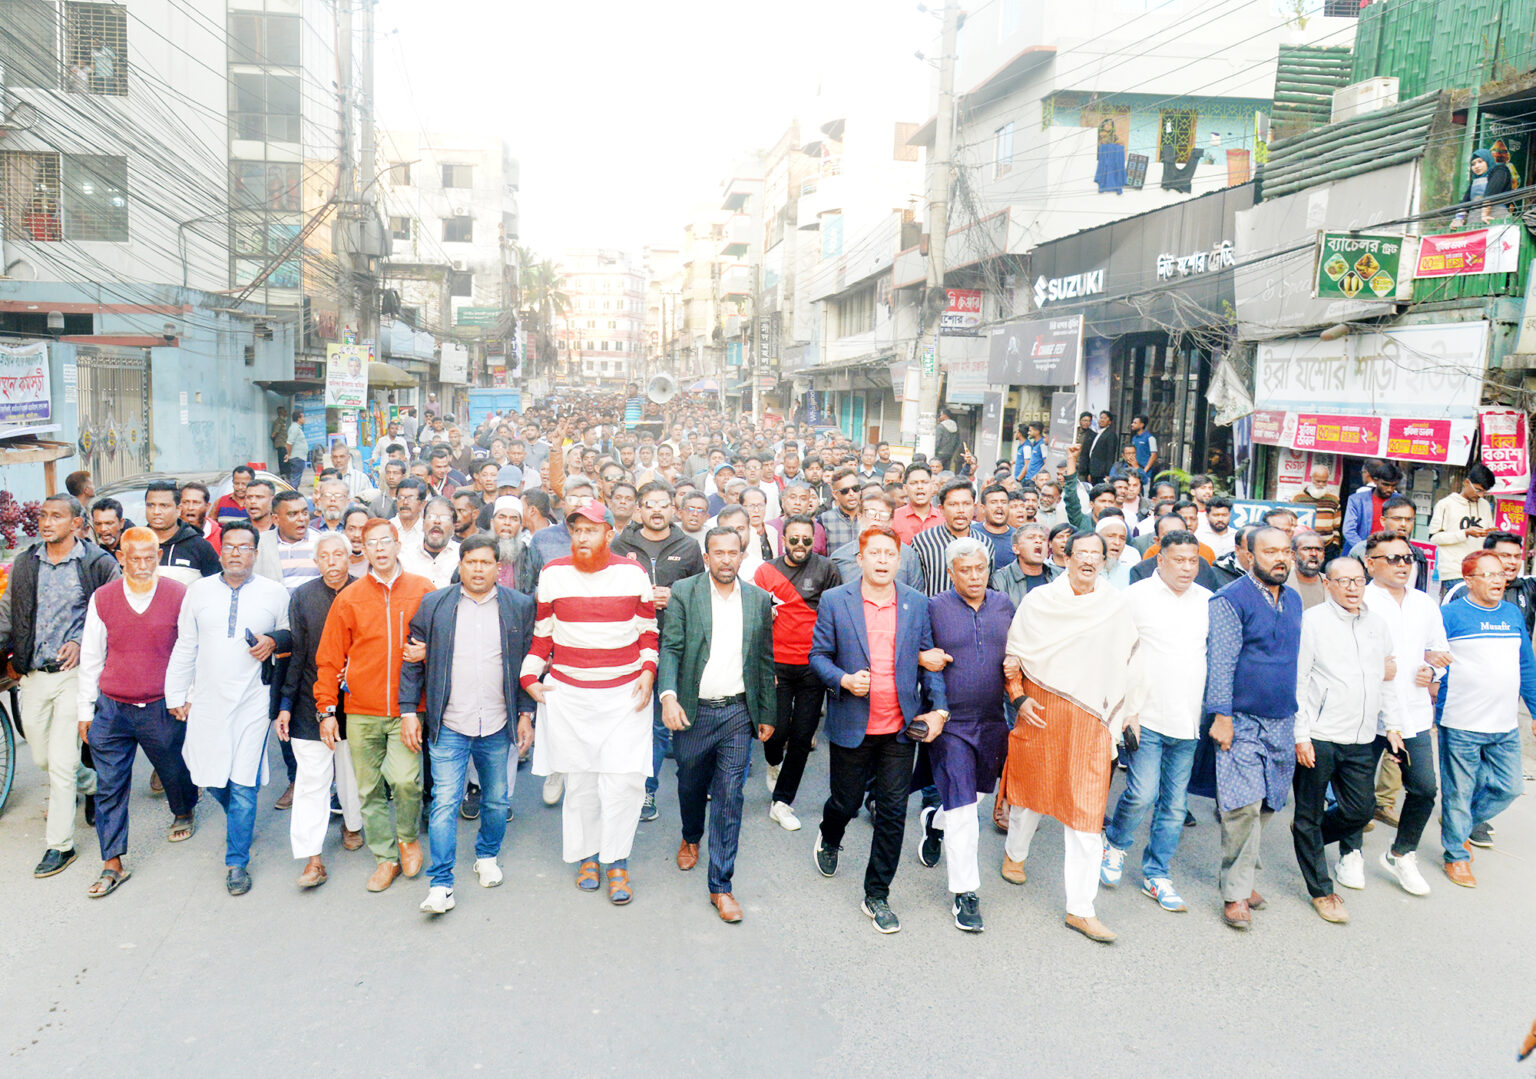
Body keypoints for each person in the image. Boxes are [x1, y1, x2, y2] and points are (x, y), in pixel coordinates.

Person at [999, 530, 1139, 944]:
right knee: (1029, 797)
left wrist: (1130, 714)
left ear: (1105, 560)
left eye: (1097, 554)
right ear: (1066, 555)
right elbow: (1014, 656)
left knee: (1086, 816)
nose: (1088, 561)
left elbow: (1131, 662)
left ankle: (1081, 909)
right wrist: (1019, 698)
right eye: (1081, 553)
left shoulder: (1116, 606)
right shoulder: (1040, 601)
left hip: (1093, 721)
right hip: (1041, 709)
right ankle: (1015, 854)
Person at [810, 525, 948, 934]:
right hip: (853, 722)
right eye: (876, 553)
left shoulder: (916, 603)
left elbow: (928, 660)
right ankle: (830, 835)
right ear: (861, 559)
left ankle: (877, 894)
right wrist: (844, 680)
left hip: (900, 729)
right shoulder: (837, 601)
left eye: (891, 554)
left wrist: (938, 708)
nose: (883, 560)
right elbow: (818, 656)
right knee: (846, 802)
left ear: (899, 560)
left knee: (892, 812)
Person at [520, 499, 658, 906]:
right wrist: (528, 677)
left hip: (625, 695)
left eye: (590, 530)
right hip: (572, 697)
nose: (582, 537)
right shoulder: (553, 573)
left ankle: (616, 861)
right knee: (580, 783)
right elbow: (542, 637)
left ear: (607, 533)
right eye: (576, 530)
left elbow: (648, 633)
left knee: (624, 781)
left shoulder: (633, 573)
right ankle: (586, 855)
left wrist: (649, 672)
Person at [401, 535, 537, 915]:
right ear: (459, 565)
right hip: (450, 723)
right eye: (471, 562)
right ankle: (441, 883)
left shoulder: (519, 606)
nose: (478, 569)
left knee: (496, 799)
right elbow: (412, 660)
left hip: (497, 722)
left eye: (486, 562)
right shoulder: (434, 604)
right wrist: (409, 710)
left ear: (498, 567)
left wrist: (526, 715)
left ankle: (487, 855)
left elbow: (528, 664)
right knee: (444, 802)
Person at [164, 520, 292, 895]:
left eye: (244, 547)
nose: (236, 553)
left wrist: (272, 640)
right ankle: (239, 820)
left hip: (253, 701)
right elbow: (186, 644)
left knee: (243, 784)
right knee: (207, 775)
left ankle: (236, 861)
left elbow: (289, 636)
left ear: (255, 553)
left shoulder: (274, 592)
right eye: (230, 546)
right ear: (221, 551)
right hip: (206, 700)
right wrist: (176, 694)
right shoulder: (199, 592)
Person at [658, 527, 777, 923]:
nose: (726, 559)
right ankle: (691, 835)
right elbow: (671, 648)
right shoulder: (685, 593)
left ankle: (721, 886)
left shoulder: (758, 600)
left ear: (742, 556)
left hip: (737, 713)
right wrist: (669, 696)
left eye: (733, 552)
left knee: (729, 796)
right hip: (694, 710)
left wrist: (767, 715)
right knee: (690, 783)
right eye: (718, 553)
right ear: (706, 557)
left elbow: (763, 660)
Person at [0, 494, 119, 877]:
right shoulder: (25, 563)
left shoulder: (97, 564)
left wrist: (83, 643)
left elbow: (114, 616)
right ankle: (94, 783)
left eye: (56, 516)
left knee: (62, 764)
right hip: (33, 675)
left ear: (76, 524)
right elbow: (7, 614)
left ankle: (60, 846)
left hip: (75, 676)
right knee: (42, 758)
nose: (46, 522)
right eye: (43, 516)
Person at [313, 519, 435, 892]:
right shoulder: (349, 598)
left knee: (405, 780)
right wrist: (327, 709)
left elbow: (447, 637)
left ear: (399, 545)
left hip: (407, 709)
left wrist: (429, 651)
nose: (380, 549)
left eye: (386, 541)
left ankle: (407, 837)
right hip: (362, 710)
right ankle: (385, 858)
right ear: (362, 551)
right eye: (371, 543)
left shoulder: (423, 590)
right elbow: (330, 658)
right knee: (368, 790)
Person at [74, 528, 196, 897]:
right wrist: (85, 709)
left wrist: (187, 695)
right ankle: (112, 862)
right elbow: (92, 657)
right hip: (113, 708)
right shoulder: (104, 598)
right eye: (134, 558)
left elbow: (192, 650)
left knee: (173, 767)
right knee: (110, 785)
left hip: (162, 704)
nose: (142, 565)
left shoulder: (178, 595)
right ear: (121, 558)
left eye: (149, 557)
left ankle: (184, 808)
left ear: (158, 556)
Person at [1101, 530, 1209, 913]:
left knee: (1175, 806)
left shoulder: (1208, 602)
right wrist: (1123, 710)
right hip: (1143, 717)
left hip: (1188, 720)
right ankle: (1115, 843)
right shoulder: (1134, 598)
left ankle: (1156, 874)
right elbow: (1114, 652)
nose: (1186, 567)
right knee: (1142, 792)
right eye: (1178, 559)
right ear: (1159, 559)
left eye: (1193, 560)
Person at [1290, 556, 1402, 923]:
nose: (1353, 588)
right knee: (1308, 811)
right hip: (1319, 736)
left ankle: (1307, 838)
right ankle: (1322, 891)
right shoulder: (1313, 622)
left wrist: (1393, 725)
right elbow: (1300, 681)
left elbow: (1385, 680)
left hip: (1361, 736)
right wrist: (1301, 735)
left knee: (1360, 810)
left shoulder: (1377, 625)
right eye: (1344, 581)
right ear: (1328, 583)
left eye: (1359, 580)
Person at [1204, 527, 1302, 930]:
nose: (1280, 558)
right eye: (1269, 551)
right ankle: (1236, 892)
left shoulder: (1293, 600)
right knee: (1242, 805)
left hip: (1283, 717)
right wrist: (1221, 715)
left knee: (1269, 802)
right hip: (1240, 718)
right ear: (1248, 556)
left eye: (1285, 551)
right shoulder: (1230, 600)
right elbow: (1222, 660)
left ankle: (1239, 873)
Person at [922, 537, 1014, 932]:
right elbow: (927, 662)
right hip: (952, 724)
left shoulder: (1005, 605)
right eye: (966, 570)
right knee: (964, 812)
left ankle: (932, 821)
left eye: (980, 569)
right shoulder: (934, 609)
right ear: (950, 573)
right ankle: (965, 893)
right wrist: (938, 709)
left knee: (973, 799)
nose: (975, 577)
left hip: (993, 721)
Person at [1435, 550, 1536, 887]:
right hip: (1461, 722)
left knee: (1509, 788)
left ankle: (1458, 825)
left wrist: (1535, 711)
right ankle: (1456, 855)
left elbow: (1526, 666)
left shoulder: (1511, 614)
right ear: (1468, 580)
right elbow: (1433, 664)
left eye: (1501, 575)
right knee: (1458, 793)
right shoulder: (1450, 615)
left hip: (1504, 725)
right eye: (1489, 575)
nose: (1498, 580)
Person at [1356, 530, 1449, 897]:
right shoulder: (1361, 598)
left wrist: (1433, 672)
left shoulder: (1425, 602)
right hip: (1367, 710)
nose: (1401, 565)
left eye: (1407, 558)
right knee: (1359, 796)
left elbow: (1437, 651)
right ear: (1370, 563)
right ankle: (1350, 853)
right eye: (1392, 558)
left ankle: (1402, 853)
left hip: (1412, 711)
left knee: (1424, 788)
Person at [610, 481, 706, 823]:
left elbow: (701, 595)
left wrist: (674, 596)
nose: (656, 510)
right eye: (648, 504)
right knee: (626, 718)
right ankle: (624, 785)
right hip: (629, 643)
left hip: (671, 644)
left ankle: (648, 788)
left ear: (673, 510)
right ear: (639, 509)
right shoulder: (620, 544)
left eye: (663, 504)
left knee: (659, 725)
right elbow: (607, 592)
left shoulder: (689, 547)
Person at [274, 532, 364, 889]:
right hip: (310, 701)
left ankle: (353, 824)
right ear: (316, 560)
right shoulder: (303, 596)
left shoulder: (364, 591)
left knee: (351, 772)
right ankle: (313, 858)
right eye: (324, 555)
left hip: (356, 701)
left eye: (338, 554)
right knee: (312, 780)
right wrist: (285, 704)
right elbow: (296, 653)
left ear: (349, 557)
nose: (332, 562)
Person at [754, 514, 841, 831]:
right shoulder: (766, 571)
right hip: (776, 664)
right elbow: (757, 623)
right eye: (794, 539)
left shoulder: (827, 568)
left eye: (807, 539)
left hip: (813, 664)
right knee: (775, 731)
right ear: (783, 539)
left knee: (803, 736)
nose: (800, 545)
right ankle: (773, 763)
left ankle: (782, 801)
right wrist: (763, 667)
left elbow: (836, 615)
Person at [910, 480, 987, 597]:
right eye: (953, 505)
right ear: (941, 509)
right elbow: (914, 587)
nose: (960, 510)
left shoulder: (985, 542)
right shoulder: (923, 542)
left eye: (966, 504)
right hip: (933, 613)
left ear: (974, 507)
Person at [1428, 465, 1495, 586]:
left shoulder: (1484, 505)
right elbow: (1434, 537)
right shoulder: (1445, 504)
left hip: (1479, 571)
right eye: (1478, 490)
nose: (1481, 495)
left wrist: (1490, 534)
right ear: (1466, 482)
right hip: (1454, 572)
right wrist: (1465, 533)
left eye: (1485, 492)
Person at [144, 479, 220, 585]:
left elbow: (217, 586)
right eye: (151, 505)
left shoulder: (199, 546)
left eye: (164, 506)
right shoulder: (135, 543)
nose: (156, 512)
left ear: (179, 509)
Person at [1350, 495, 1428, 590]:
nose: (1403, 524)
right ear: (1383, 520)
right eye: (1397, 518)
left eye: (1409, 519)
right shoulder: (1361, 551)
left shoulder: (1418, 555)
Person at [398, 497, 460, 588]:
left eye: (444, 518)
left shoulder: (462, 555)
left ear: (453, 527)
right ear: (423, 523)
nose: (437, 522)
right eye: (431, 517)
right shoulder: (404, 555)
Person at [989, 523, 1057, 605]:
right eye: (1031, 537)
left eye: (1043, 539)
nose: (1038, 541)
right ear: (1016, 549)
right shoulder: (1000, 580)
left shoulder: (1060, 576)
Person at [1342, 460, 1400, 551]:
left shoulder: (1400, 501)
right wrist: (1366, 550)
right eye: (1385, 485)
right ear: (1376, 481)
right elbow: (1348, 530)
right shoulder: (1356, 500)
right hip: (1360, 552)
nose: (1389, 489)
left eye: (1393, 486)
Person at [1450, 148, 1514, 227]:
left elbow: (1491, 192)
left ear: (1487, 160)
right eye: (1473, 164)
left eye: (1480, 161)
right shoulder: (1474, 181)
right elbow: (1465, 203)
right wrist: (1458, 219)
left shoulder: (1500, 170)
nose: (1476, 166)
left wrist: (1485, 214)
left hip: (1496, 218)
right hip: (1474, 222)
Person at [1291, 463, 1341, 555]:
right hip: (1304, 547)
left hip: (1328, 548)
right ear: (1311, 478)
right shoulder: (1297, 498)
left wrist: (1335, 544)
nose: (1321, 484)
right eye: (1318, 481)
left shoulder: (1334, 499)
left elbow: (1336, 527)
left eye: (1324, 482)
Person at [891, 462, 939, 544]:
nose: (920, 487)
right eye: (914, 483)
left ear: (932, 486)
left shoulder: (944, 519)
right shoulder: (893, 518)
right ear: (905, 488)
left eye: (925, 482)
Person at [818, 467, 863, 552]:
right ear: (835, 494)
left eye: (855, 488)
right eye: (845, 491)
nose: (851, 494)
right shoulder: (824, 520)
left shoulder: (871, 516)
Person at [1287, 530, 1328, 609]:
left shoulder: (1333, 584)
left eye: (1318, 549)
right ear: (1293, 555)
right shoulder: (1282, 585)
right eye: (1306, 549)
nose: (1314, 553)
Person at [179, 481, 222, 554]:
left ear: (207, 507)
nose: (190, 508)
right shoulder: (167, 534)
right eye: (185, 502)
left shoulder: (220, 536)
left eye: (196, 503)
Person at [1086, 410, 1118, 483]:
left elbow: (1110, 455)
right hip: (1094, 472)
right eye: (1101, 418)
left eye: (1105, 418)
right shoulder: (1099, 433)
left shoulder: (1111, 435)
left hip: (1102, 473)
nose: (1102, 420)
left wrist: (1108, 473)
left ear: (1109, 422)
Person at [284, 408, 310, 488]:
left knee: (296, 479)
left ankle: (294, 494)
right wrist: (289, 454)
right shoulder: (295, 428)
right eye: (303, 417)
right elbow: (289, 443)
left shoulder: (297, 428)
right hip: (297, 457)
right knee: (295, 479)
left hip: (299, 457)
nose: (304, 419)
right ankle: (292, 495)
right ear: (299, 418)